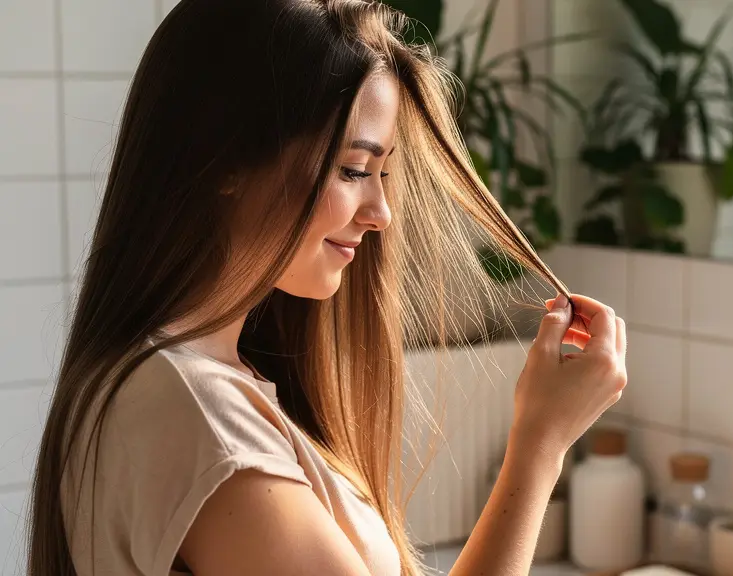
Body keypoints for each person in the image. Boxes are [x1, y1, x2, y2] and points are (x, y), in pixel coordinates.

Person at [27, 1, 627, 575]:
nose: (381, 212)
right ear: (229, 161)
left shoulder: (183, 386)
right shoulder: (197, 413)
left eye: (383, 174)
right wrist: (542, 441)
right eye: (353, 170)